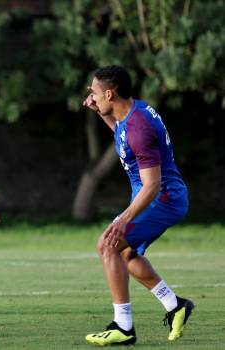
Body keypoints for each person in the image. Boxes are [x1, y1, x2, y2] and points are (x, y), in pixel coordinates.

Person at [82, 65, 194, 346]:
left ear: (110, 93)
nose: (92, 97)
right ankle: (175, 305)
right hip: (153, 194)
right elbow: (123, 137)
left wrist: (122, 220)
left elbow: (152, 184)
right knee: (126, 255)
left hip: (162, 198)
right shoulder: (130, 114)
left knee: (108, 243)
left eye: (95, 93)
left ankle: (123, 326)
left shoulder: (139, 129)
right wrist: (99, 111)